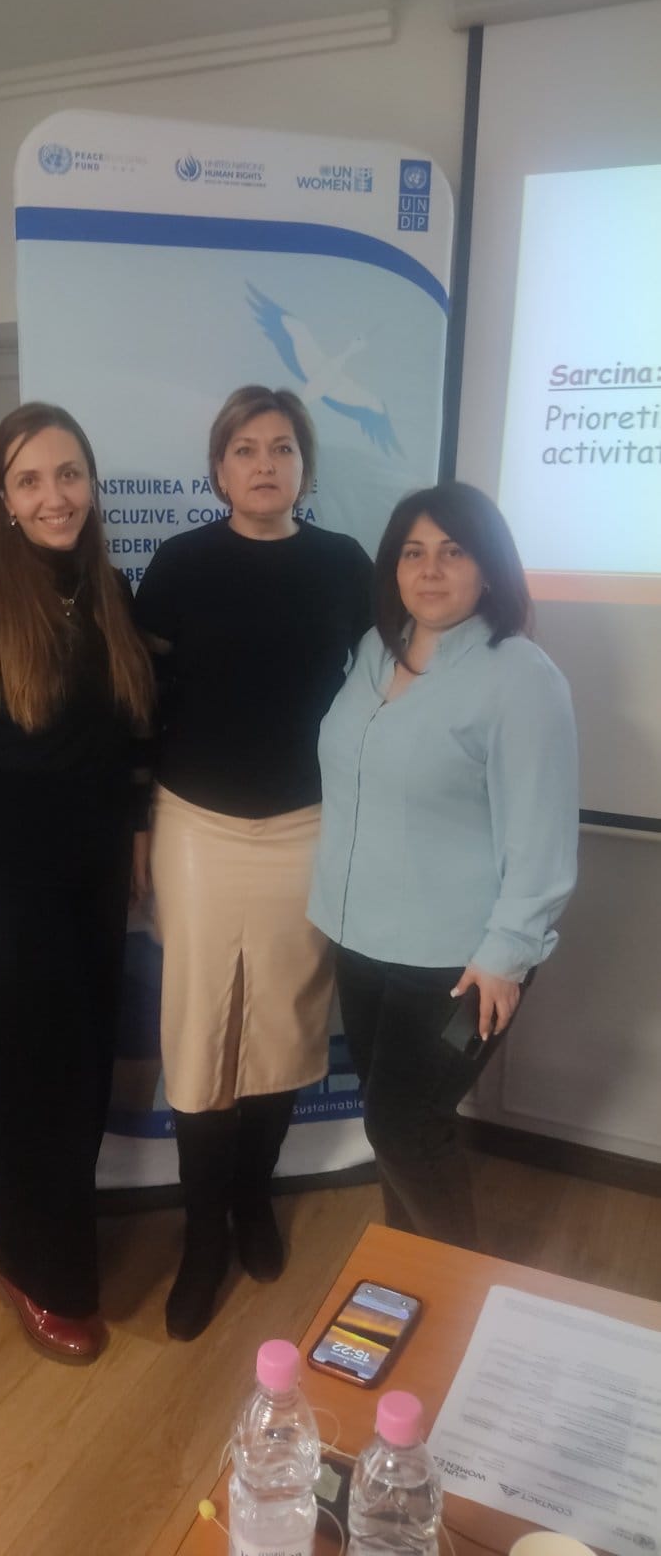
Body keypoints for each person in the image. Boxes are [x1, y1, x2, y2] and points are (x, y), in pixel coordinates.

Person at [133, 385, 373, 1340]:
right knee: (201, 1030)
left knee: (280, 1022)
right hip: (196, 823)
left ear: (304, 466)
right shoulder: (181, 564)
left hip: (306, 825)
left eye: (281, 448)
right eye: (244, 449)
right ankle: (202, 1236)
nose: (264, 464)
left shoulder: (345, 565)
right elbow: (143, 703)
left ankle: (251, 1198)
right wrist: (136, 823)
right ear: (218, 469)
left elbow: (385, 686)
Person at [0, 401, 153, 1362]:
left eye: (68, 474)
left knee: (81, 1069)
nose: (54, 496)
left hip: (92, 878)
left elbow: (125, 739)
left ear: (90, 484)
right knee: (39, 1080)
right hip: (12, 886)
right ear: (5, 501)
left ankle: (10, 1227)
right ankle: (46, 1274)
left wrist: (135, 832)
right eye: (30, 480)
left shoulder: (110, 594)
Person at [309, 481, 579, 1248]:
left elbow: (543, 838)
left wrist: (507, 957)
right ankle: (408, 1268)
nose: (429, 570)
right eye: (413, 552)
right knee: (390, 1120)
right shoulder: (377, 650)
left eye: (453, 552)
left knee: (406, 1127)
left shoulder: (521, 677)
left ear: (488, 569)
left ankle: (456, 1295)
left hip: (462, 966)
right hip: (364, 941)